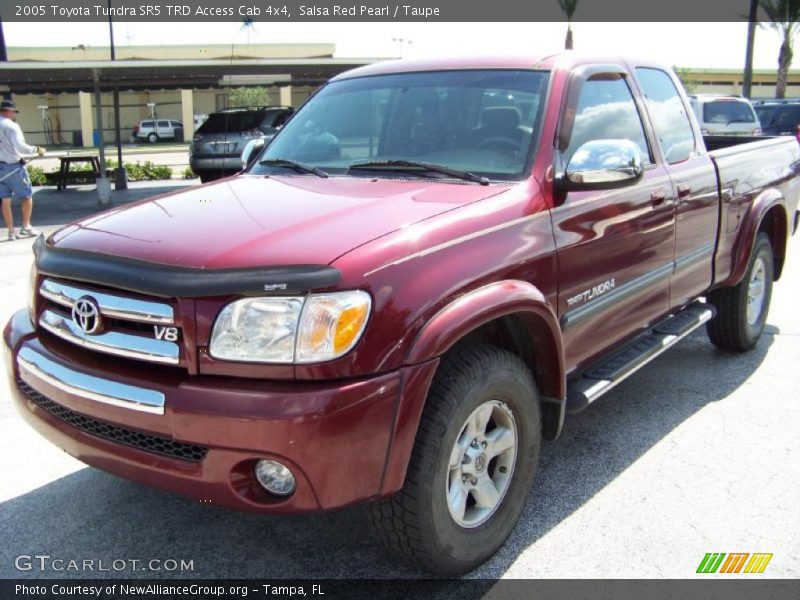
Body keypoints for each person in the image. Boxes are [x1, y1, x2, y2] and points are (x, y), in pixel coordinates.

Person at [0, 99, 46, 241]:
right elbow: (20, 146)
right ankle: (26, 226)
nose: (14, 114)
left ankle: (11, 232)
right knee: (26, 196)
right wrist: (36, 149)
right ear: (7, 111)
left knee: (5, 199)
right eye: (13, 111)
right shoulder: (11, 126)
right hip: (13, 165)